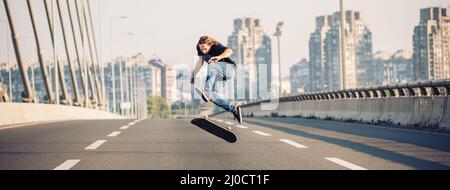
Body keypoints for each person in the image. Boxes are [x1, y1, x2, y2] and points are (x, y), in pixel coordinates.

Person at [191, 36, 242, 124]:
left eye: (205, 48)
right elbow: (200, 62)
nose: (203, 51)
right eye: (201, 49)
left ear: (209, 44)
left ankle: (206, 91)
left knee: (211, 65)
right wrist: (193, 75)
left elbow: (230, 51)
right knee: (212, 95)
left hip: (228, 69)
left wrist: (219, 57)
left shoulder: (216, 46)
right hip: (219, 75)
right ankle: (234, 110)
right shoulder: (200, 50)